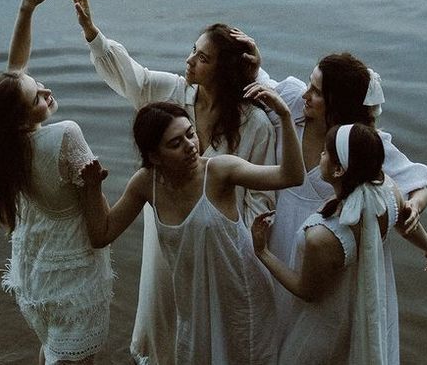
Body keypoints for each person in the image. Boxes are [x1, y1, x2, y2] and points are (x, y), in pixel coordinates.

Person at [65, 0, 276, 365]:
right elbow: (135, 80)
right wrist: (92, 32)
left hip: (222, 242)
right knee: (166, 321)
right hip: (170, 242)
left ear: (223, 70)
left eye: (203, 57)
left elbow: (263, 197)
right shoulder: (175, 94)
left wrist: (242, 244)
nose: (190, 60)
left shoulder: (254, 122)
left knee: (224, 333)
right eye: (193, 50)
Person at [80, 86, 304, 365]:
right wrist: (91, 189)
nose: (191, 146)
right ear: (154, 156)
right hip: (193, 302)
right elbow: (102, 234)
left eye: (190, 133)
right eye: (175, 143)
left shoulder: (220, 171)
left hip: (240, 294)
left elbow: (292, 176)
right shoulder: (145, 183)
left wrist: (283, 114)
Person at [0, 0, 113, 365]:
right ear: (22, 116)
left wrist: (26, 8)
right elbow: (100, 229)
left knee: (52, 350)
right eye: (38, 96)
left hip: (34, 273)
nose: (47, 91)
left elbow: (15, 75)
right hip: (71, 281)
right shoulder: (65, 135)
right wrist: (138, 186)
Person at [251, 123, 427, 365]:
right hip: (360, 307)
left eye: (325, 152)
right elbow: (405, 224)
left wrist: (263, 252)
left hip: (326, 323)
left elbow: (306, 291)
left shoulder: (322, 236)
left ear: (339, 170)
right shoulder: (388, 190)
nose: (320, 155)